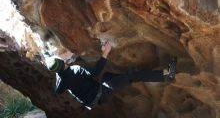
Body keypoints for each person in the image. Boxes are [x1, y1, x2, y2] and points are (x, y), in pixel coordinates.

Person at [48, 41, 177, 110]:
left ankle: (122, 80)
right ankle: (166, 73)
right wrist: (106, 52)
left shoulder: (61, 81)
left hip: (96, 99)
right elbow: (95, 72)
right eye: (63, 61)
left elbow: (57, 90)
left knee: (108, 75)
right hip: (102, 92)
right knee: (132, 75)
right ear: (63, 63)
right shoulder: (74, 70)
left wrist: (59, 72)